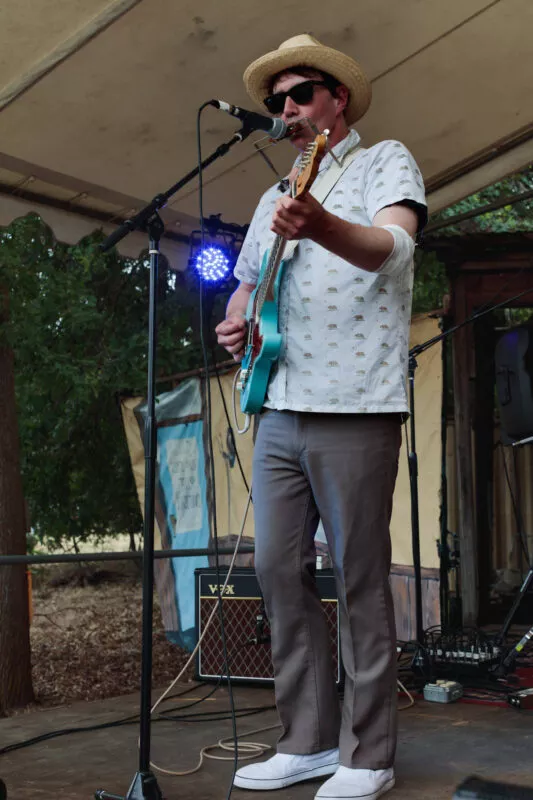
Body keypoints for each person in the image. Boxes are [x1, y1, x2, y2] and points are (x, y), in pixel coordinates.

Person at [215, 33, 427, 800]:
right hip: (278, 402)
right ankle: (305, 740)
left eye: (300, 94)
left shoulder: (384, 160)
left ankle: (367, 756)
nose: (286, 109)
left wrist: (323, 225)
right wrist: (234, 322)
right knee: (276, 570)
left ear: (337, 98)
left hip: (355, 402)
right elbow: (245, 285)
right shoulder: (275, 195)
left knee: (359, 576)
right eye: (276, 101)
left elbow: (392, 249)